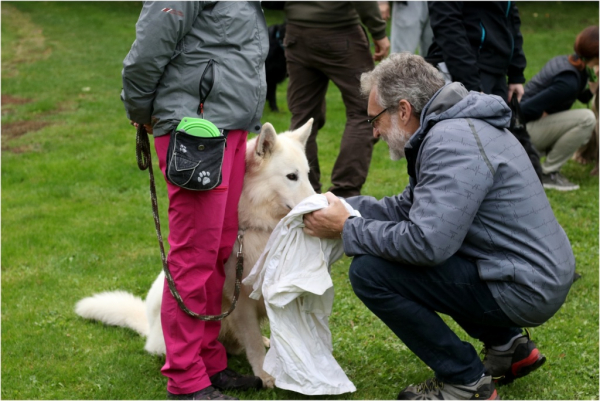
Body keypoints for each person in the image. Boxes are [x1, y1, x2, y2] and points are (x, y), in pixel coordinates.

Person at [303, 53, 575, 400]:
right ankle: (509, 347)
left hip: (526, 286)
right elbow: (409, 208)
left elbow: (427, 243)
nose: (373, 132)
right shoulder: (451, 125)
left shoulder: (450, 141)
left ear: (403, 109)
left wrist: (348, 229)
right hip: (528, 272)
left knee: (370, 272)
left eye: (375, 119)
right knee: (434, 259)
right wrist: (343, 207)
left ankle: (465, 380)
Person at [121, 2, 268, 400]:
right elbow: (151, 44)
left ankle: (208, 359)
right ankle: (185, 379)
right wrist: (140, 108)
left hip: (232, 123)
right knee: (194, 255)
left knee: (219, 248)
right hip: (197, 129)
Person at [282, 1, 390, 197]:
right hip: (340, 29)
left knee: (303, 116)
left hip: (296, 32)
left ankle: (307, 195)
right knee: (365, 113)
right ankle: (344, 194)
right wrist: (379, 32)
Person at [520, 25, 599, 191]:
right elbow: (524, 108)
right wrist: (543, 113)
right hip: (521, 134)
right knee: (586, 119)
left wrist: (592, 86)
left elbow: (579, 95)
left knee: (584, 127)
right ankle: (548, 174)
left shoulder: (570, 62)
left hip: (525, 128)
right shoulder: (568, 81)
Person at [426, 1, 526, 103]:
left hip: (498, 74)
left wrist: (516, 74)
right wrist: (471, 85)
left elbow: (510, 15)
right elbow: (447, 25)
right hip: (466, 72)